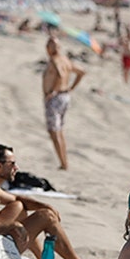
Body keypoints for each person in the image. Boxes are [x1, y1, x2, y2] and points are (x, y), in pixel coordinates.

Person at [0, 143, 92, 259]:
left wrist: (46, 205)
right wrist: (13, 225)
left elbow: (16, 199)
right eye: (12, 164)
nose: (16, 168)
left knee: (18, 207)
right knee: (46, 216)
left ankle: (41, 257)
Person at [42, 35, 85, 170]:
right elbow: (81, 72)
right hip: (64, 96)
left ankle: (63, 163)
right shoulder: (65, 60)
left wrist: (53, 91)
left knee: (54, 132)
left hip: (56, 97)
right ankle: (64, 161)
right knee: (59, 130)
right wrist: (71, 87)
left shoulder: (55, 61)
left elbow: (60, 74)